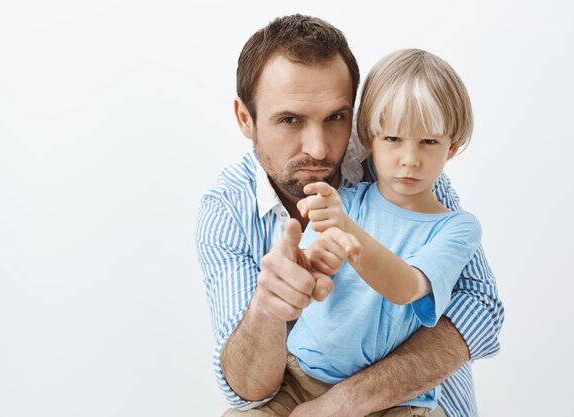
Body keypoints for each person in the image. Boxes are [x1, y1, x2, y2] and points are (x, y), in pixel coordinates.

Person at [195, 14, 503, 417]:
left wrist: (344, 404)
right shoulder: (226, 209)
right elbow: (246, 391)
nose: (319, 149)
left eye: (335, 118)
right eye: (290, 119)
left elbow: (480, 311)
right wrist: (266, 309)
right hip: (297, 387)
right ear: (244, 118)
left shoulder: (402, 174)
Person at [283, 48, 483, 417]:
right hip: (301, 378)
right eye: (393, 139)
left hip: (391, 398)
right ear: (369, 140)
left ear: (451, 147)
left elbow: (406, 287)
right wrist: (315, 263)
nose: (410, 158)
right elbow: (308, 274)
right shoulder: (346, 202)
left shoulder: (456, 228)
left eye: (428, 142)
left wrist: (347, 233)